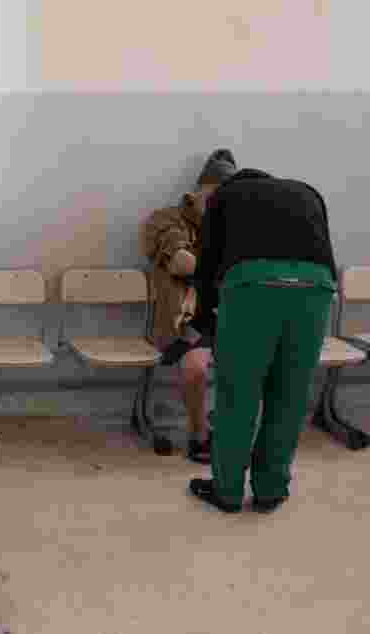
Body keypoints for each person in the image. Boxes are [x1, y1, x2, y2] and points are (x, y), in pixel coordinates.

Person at [187, 168, 338, 513]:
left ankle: (226, 491)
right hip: (316, 290)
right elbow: (325, 252)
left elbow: (208, 266)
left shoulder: (224, 197)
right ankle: (270, 490)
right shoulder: (306, 189)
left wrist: (204, 323)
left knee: (238, 394)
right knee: (290, 394)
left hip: (253, 288)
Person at [140, 149, 238, 463]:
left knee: (256, 362)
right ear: (196, 194)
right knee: (196, 367)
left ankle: (226, 427)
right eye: (215, 197)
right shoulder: (166, 220)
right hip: (186, 321)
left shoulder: (234, 225)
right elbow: (182, 263)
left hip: (230, 317)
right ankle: (199, 435)